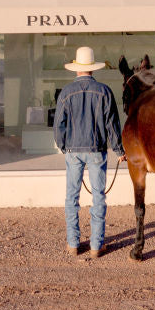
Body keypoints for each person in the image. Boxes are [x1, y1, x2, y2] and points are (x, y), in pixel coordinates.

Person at [53, 46, 125, 258]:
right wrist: (119, 150)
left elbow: (58, 126)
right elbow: (112, 125)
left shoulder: (66, 92)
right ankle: (96, 245)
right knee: (98, 196)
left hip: (73, 150)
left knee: (71, 197)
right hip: (96, 150)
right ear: (93, 68)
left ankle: (73, 243)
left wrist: (64, 146)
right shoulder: (104, 91)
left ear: (76, 68)